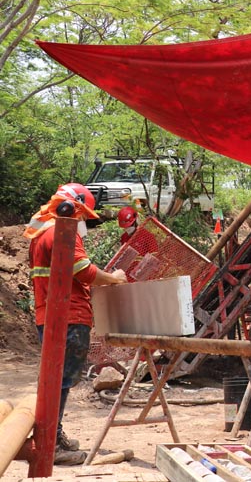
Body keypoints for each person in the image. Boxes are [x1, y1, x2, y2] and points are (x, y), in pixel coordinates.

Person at [25, 183, 127, 465]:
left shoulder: (42, 232)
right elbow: (84, 271)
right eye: (82, 216)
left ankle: (51, 436)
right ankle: (50, 443)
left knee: (57, 380)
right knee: (59, 381)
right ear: (74, 209)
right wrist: (115, 278)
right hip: (66, 317)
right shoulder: (61, 230)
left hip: (55, 315)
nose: (82, 222)